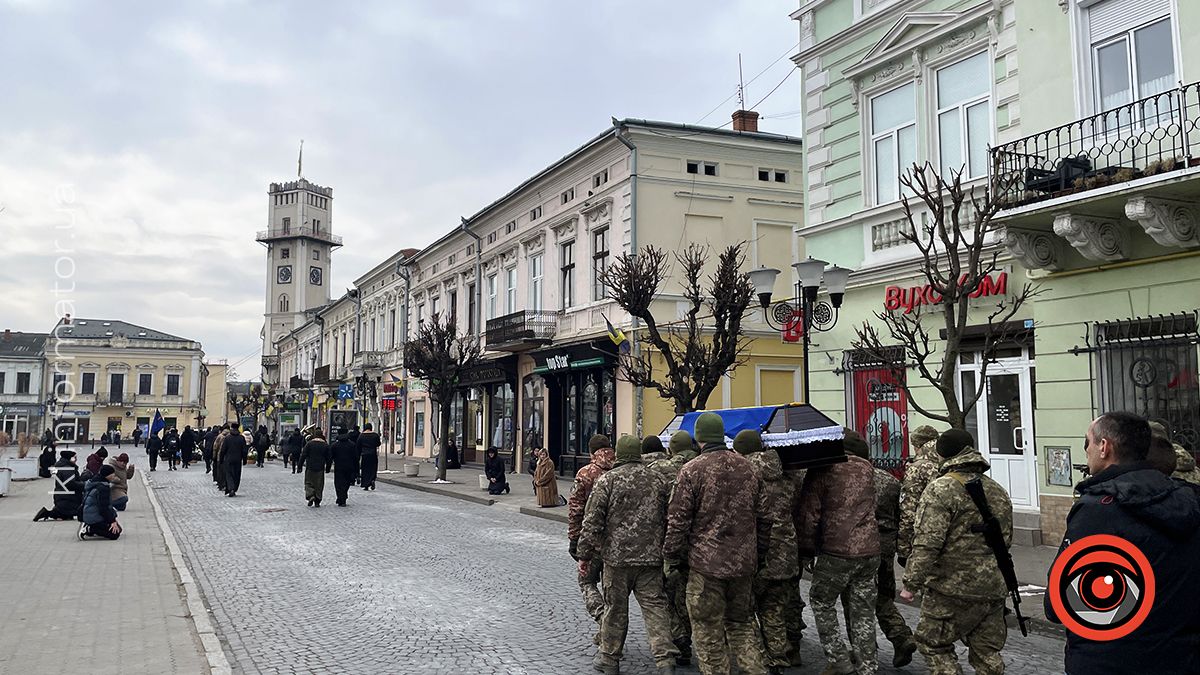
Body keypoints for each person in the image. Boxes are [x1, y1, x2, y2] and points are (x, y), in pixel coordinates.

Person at [1045, 412, 1200, 675]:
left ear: (1104, 447)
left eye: (1087, 443)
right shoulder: (1189, 499)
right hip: (1181, 659)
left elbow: (1060, 605)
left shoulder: (1099, 511)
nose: (1087, 451)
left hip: (1112, 660)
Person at [663, 412, 769, 675]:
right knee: (742, 625)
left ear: (698, 438)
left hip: (706, 567)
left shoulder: (692, 470)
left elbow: (678, 521)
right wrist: (759, 555)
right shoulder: (749, 468)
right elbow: (765, 518)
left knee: (708, 632)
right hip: (744, 565)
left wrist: (671, 558)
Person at [900, 429, 1012, 675]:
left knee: (933, 644)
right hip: (992, 586)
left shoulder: (940, 488)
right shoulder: (996, 489)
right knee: (987, 653)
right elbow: (1006, 540)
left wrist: (910, 584)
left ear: (942, 454)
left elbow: (927, 542)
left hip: (950, 588)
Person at [578, 435, 679, 675]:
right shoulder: (658, 479)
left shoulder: (608, 480)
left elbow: (592, 521)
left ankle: (610, 658)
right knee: (655, 608)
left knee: (615, 609)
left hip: (616, 558)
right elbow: (671, 516)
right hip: (651, 558)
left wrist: (584, 554)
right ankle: (666, 660)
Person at [796, 429, 881, 675]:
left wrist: (807, 550)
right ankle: (868, 667)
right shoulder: (868, 469)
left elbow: (810, 513)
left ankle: (840, 661)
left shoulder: (824, 468)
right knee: (863, 610)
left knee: (822, 601)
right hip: (869, 549)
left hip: (837, 550)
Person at [733, 429, 799, 675]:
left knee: (745, 611)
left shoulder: (743, 476)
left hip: (754, 552)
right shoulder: (786, 477)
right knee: (774, 609)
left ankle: (755, 662)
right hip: (785, 551)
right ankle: (778, 658)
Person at [647, 429, 697, 666]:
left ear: (672, 449)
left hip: (669, 543)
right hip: (701, 547)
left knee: (667, 595)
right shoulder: (703, 466)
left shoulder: (660, 470)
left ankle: (680, 640)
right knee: (692, 596)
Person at [868, 449, 917, 669]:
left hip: (860, 545)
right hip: (886, 544)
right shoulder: (890, 481)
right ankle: (900, 636)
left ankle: (864, 648)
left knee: (858, 598)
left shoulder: (849, 478)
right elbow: (901, 514)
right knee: (884, 595)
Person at [568, 434, 617, 626]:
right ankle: (611, 628)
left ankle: (603, 618)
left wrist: (574, 538)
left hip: (593, 539)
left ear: (591, 451)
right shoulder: (620, 469)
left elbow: (575, 509)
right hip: (617, 540)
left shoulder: (586, 473)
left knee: (586, 581)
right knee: (611, 586)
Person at [897, 425, 940, 563]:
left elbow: (909, 512)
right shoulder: (947, 461)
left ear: (919, 445)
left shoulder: (917, 468)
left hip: (924, 538)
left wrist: (903, 549)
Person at [33, 450, 83, 521]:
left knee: (66, 514)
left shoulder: (64, 466)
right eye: (74, 457)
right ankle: (45, 513)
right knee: (62, 512)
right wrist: (83, 485)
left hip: (63, 495)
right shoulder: (67, 468)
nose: (76, 459)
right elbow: (70, 483)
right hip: (67, 496)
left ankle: (48, 513)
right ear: (69, 458)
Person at [79, 465, 122, 540]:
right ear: (107, 475)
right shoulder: (103, 488)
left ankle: (94, 528)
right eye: (113, 474)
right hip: (93, 516)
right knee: (114, 534)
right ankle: (89, 528)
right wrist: (112, 521)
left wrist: (113, 519)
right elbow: (104, 507)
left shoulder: (95, 482)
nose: (114, 476)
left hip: (90, 513)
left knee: (118, 529)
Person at [301, 428, 331, 507]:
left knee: (308, 483)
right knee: (319, 485)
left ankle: (311, 495)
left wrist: (300, 466)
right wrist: (328, 468)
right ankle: (317, 500)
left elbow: (303, 455)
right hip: (320, 468)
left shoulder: (309, 444)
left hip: (310, 467)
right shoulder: (325, 445)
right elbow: (329, 458)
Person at [330, 428, 358, 507]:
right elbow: (356, 458)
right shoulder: (352, 445)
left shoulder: (334, 445)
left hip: (339, 467)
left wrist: (328, 466)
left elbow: (330, 457)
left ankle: (340, 497)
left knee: (338, 483)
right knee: (347, 483)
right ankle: (343, 497)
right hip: (349, 467)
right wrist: (357, 471)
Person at [222, 423, 248, 497]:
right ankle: (234, 488)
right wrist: (244, 459)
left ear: (231, 428)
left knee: (229, 474)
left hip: (228, 459)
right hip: (238, 459)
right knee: (237, 474)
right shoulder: (241, 438)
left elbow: (223, 449)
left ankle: (231, 488)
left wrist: (221, 458)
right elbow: (244, 450)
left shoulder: (227, 438)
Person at [357, 423, 382, 490]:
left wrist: (358, 455)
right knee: (373, 468)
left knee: (365, 469)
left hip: (365, 454)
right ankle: (372, 479)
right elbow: (378, 443)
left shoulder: (361, 435)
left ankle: (366, 484)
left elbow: (358, 445)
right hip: (373, 454)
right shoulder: (375, 435)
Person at [213, 425, 230, 492]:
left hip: (220, 456)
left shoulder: (220, 436)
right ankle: (226, 484)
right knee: (227, 471)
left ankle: (221, 485)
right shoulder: (230, 436)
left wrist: (214, 456)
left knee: (220, 471)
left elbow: (215, 447)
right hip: (228, 456)